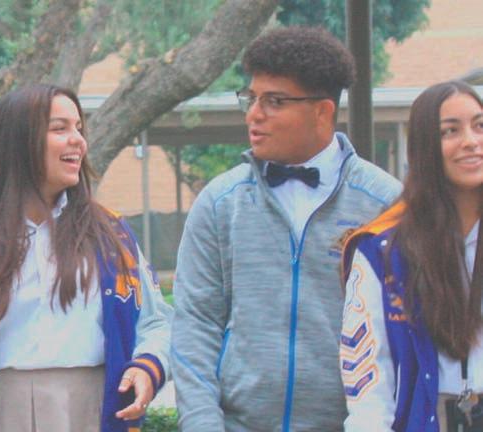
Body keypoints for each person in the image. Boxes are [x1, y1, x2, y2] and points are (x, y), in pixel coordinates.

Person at [171, 26, 402, 431]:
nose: (254, 114)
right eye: (251, 98)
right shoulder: (220, 203)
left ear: (322, 112)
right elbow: (195, 326)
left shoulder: (385, 206)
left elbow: (402, 337)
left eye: (274, 101)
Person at [0, 84, 172, 432]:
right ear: (16, 141)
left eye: (79, 129)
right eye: (59, 128)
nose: (78, 141)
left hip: (95, 408)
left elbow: (157, 321)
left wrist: (147, 366)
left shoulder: (111, 233)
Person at [340, 80, 483, 431]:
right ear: (423, 147)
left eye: (480, 126)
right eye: (450, 131)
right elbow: (368, 379)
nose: (471, 141)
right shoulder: (382, 248)